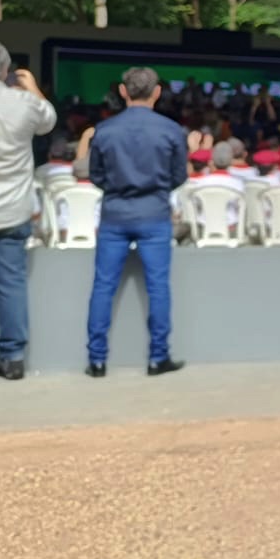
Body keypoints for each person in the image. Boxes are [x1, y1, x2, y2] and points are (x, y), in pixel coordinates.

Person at [84, 66, 188, 378]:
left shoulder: (104, 130)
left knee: (103, 286)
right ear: (157, 92)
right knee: (158, 287)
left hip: (115, 213)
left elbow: (96, 175)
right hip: (154, 212)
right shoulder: (171, 130)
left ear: (122, 91)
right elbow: (178, 176)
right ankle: (158, 358)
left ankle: (97, 361)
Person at [0, 41, 58, 380]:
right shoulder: (25, 103)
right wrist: (33, 87)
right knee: (11, 285)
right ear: (5, 70)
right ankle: (13, 358)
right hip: (13, 210)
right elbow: (49, 120)